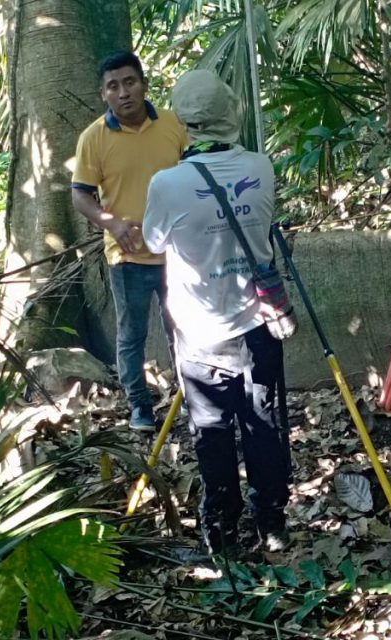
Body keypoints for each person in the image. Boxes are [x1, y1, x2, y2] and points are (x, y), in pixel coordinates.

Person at [142, 69, 291, 556]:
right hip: (258, 323)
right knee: (265, 425)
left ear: (184, 123)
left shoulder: (167, 183)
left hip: (199, 331)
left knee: (211, 432)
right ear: (231, 115)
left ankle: (221, 528)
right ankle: (271, 520)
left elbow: (153, 240)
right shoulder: (262, 166)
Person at [70, 51, 188, 431]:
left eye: (130, 82)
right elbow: (80, 194)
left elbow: (193, 175)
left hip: (177, 252)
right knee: (132, 334)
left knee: (183, 327)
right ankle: (139, 405)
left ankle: (189, 396)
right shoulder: (93, 138)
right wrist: (112, 224)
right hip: (128, 255)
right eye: (113, 86)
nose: (124, 93)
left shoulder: (173, 125)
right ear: (103, 94)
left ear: (145, 84)